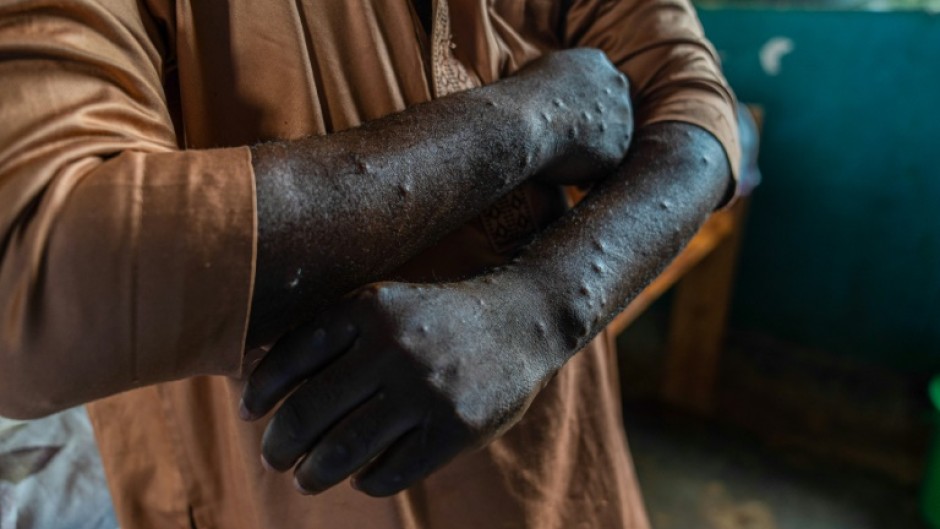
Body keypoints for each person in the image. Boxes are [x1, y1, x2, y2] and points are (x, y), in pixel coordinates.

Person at [0, 0, 740, 527]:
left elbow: (698, 119)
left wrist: (540, 309)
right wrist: (534, 115)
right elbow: (35, 272)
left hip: (567, 475)